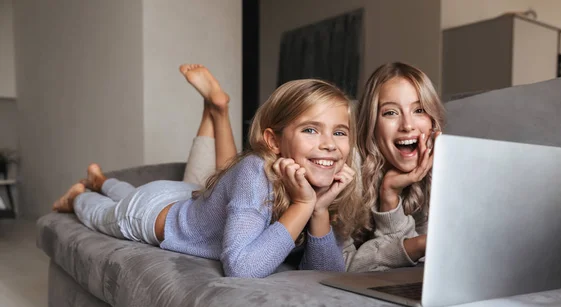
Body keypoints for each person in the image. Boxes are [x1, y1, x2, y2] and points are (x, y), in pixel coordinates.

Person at [52, 78, 364, 278]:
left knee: (131, 190)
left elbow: (325, 275)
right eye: (311, 129)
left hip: (183, 195)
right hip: (151, 213)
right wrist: (303, 205)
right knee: (102, 212)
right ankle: (81, 193)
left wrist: (319, 210)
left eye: (339, 132)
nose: (328, 143)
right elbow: (241, 268)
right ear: (273, 141)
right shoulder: (254, 170)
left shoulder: (321, 189)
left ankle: (101, 179)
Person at [347, 62, 444, 272]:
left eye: (419, 110)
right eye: (390, 113)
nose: (407, 125)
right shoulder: (347, 167)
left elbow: (405, 270)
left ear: (432, 122)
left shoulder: (438, 172)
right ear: (372, 124)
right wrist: (417, 244)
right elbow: (341, 266)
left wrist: (390, 196)